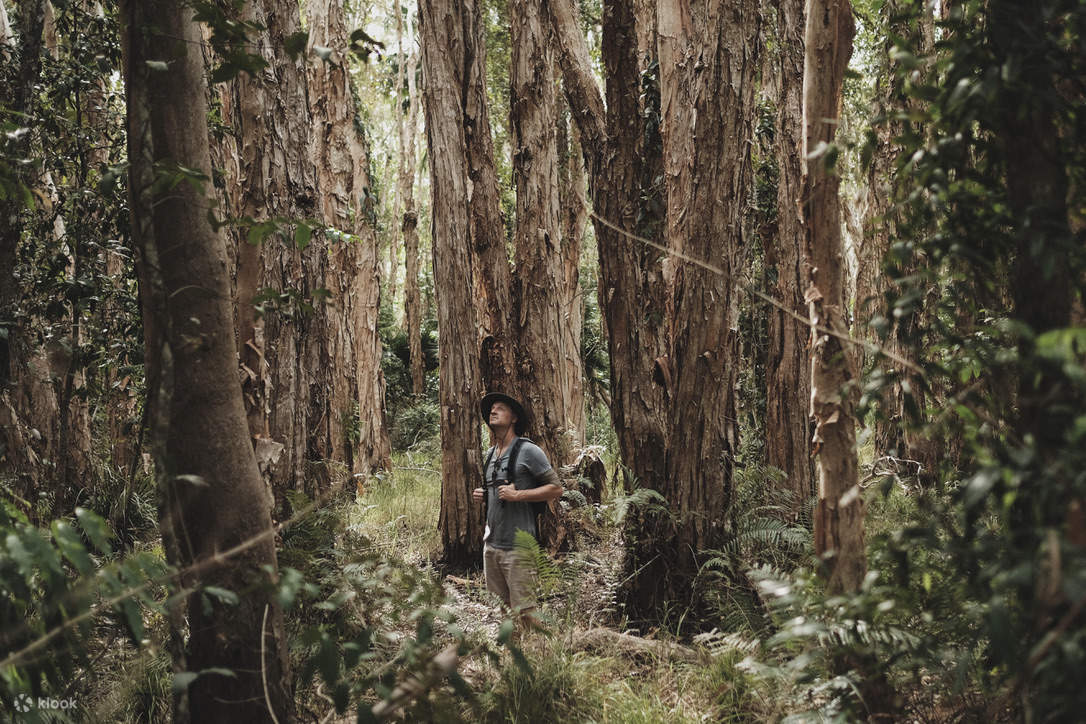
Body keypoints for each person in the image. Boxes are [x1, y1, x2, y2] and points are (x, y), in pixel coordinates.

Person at [472, 392, 563, 628]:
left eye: (500, 408)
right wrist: (485, 495)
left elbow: (556, 489)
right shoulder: (490, 454)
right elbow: (499, 492)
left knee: (526, 611)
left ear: (514, 418)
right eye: (491, 408)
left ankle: (535, 656)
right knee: (503, 610)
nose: (493, 411)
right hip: (492, 547)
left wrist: (518, 495)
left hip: (519, 547)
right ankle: (512, 657)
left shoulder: (528, 450)